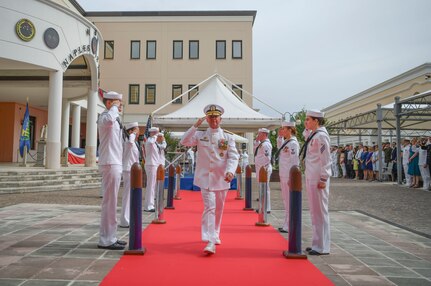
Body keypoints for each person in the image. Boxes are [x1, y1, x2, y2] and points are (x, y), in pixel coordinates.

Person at [180, 104, 239, 255]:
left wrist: (230, 171)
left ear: (221, 119)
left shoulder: (228, 137)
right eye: (211, 117)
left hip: (221, 178)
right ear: (207, 118)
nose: (214, 120)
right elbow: (184, 142)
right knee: (210, 207)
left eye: (216, 117)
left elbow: (233, 156)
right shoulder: (200, 135)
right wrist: (194, 126)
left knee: (219, 209)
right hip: (205, 178)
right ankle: (211, 240)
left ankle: (215, 233)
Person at [97, 91, 127, 250]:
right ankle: (106, 239)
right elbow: (109, 120)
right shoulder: (105, 117)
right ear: (109, 103)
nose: (120, 106)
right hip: (110, 163)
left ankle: (110, 236)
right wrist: (114, 108)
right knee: (109, 202)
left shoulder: (113, 117)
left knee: (112, 202)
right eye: (117, 102)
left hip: (115, 162)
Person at [301, 109, 331, 256]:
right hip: (311, 175)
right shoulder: (313, 134)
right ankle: (316, 242)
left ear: (316, 121)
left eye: (308, 119)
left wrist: (324, 178)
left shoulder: (321, 137)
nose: (305, 122)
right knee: (314, 211)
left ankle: (322, 246)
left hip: (318, 177)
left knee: (320, 211)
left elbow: (326, 159)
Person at [276, 121, 299, 233]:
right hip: (283, 174)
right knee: (285, 200)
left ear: (290, 130)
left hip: (288, 175)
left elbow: (295, 161)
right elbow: (279, 147)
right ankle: (286, 223)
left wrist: (292, 177)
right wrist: (279, 136)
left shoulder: (293, 143)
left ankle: (289, 225)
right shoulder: (286, 142)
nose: (282, 130)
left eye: (284, 129)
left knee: (289, 200)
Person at [119, 122, 140, 228]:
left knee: (130, 195)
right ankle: (124, 220)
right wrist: (133, 133)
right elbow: (131, 140)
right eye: (136, 129)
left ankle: (127, 218)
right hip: (128, 170)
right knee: (127, 196)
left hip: (133, 170)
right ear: (130, 131)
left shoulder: (133, 142)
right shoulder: (128, 141)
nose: (138, 132)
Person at [254, 128, 273, 212]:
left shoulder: (266, 145)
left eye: (260, 134)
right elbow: (255, 150)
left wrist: (264, 169)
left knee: (265, 188)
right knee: (262, 188)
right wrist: (257, 141)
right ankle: (262, 206)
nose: (258, 135)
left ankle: (266, 207)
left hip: (264, 169)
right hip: (260, 169)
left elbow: (267, 158)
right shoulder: (262, 144)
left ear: (265, 134)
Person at [143, 126, 161, 212]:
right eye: (157, 133)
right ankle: (148, 206)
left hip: (153, 164)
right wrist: (155, 136)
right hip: (151, 165)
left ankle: (150, 204)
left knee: (152, 185)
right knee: (150, 186)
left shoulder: (154, 142)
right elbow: (150, 141)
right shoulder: (150, 141)